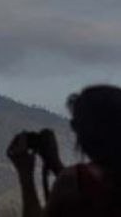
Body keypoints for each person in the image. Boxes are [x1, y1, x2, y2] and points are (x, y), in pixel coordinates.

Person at [7, 85, 121, 217]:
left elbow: (84, 189)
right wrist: (55, 164)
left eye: (75, 124)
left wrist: (25, 175)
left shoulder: (72, 180)